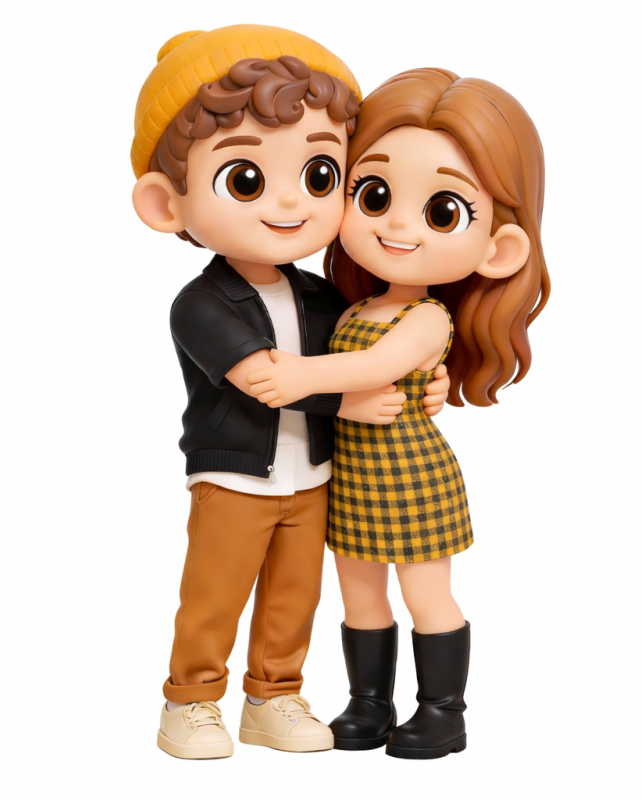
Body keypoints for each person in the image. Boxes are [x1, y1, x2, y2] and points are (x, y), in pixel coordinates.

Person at [130, 28, 450, 759]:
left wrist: (426, 380)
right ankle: (191, 701)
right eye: (246, 179)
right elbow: (267, 379)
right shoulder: (200, 304)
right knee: (215, 594)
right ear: (165, 204)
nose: (288, 202)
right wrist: (349, 403)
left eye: (318, 174)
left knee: (294, 596)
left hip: (315, 477)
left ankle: (273, 695)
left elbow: (366, 357)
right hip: (237, 475)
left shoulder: (322, 295)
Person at [248, 67, 549, 759]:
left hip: (412, 476)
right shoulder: (355, 305)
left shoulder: (428, 317)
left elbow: (376, 367)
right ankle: (369, 702)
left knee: (426, 595)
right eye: (375, 194)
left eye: (441, 211)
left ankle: (442, 712)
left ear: (498, 249)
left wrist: (299, 376)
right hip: (352, 477)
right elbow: (358, 376)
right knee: (359, 595)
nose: (398, 225)